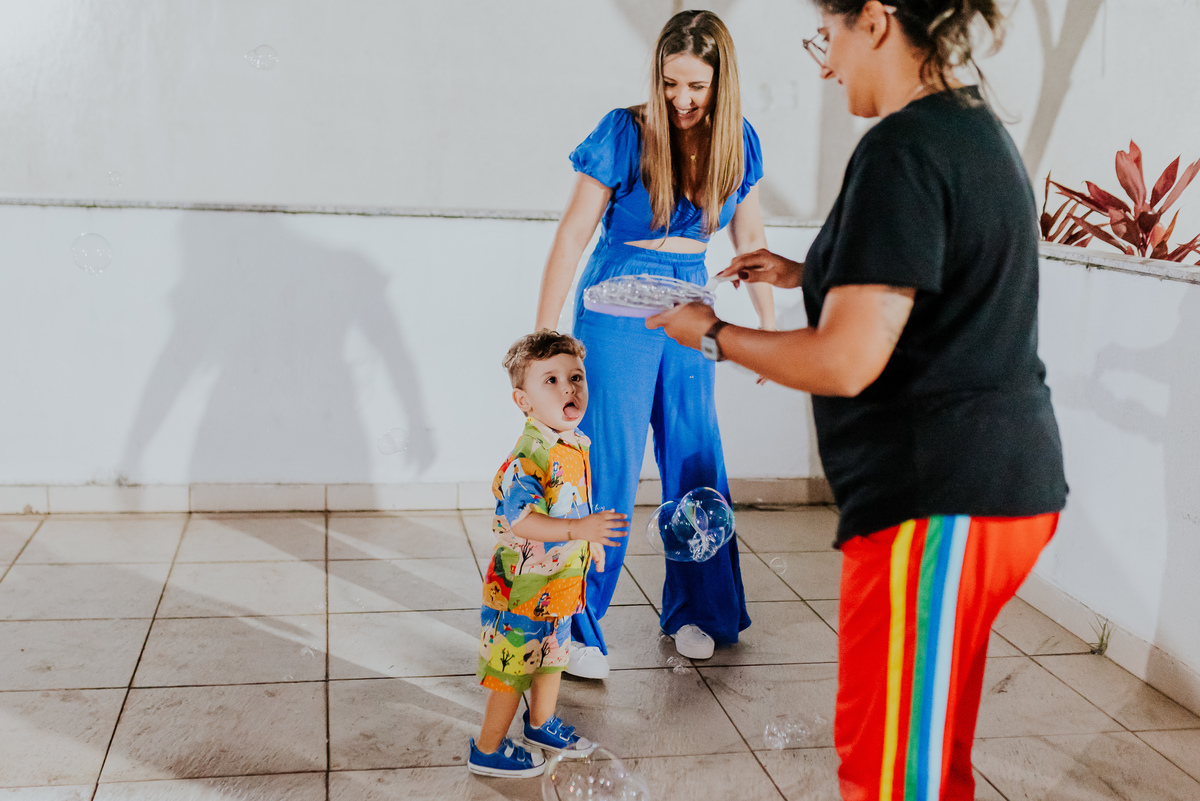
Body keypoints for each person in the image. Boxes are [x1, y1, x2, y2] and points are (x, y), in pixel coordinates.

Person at [648, 2, 1068, 799]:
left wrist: (711, 333)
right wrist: (808, 271)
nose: (825, 63)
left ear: (874, 21)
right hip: (991, 490)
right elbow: (930, 279)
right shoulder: (969, 126)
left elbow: (846, 359)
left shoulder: (903, 148)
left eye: (828, 37)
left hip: (941, 497)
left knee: (887, 771)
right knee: (929, 753)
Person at [534, 9, 774, 677]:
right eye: (670, 83)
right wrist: (545, 339)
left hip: (690, 304)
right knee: (608, 463)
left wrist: (766, 327)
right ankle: (577, 624)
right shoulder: (625, 131)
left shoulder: (738, 142)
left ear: (721, 82)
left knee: (695, 462)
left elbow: (750, 244)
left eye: (696, 86)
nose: (681, 99)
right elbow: (570, 236)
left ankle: (698, 610)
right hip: (615, 303)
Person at [469, 331, 629, 779]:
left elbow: (573, 501)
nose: (568, 388)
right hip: (523, 588)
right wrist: (580, 529)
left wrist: (589, 540)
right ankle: (487, 748)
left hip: (557, 584)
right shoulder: (530, 454)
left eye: (575, 377)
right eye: (551, 381)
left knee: (553, 654)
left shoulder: (573, 442)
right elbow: (522, 521)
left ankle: (540, 724)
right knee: (514, 667)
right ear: (524, 400)